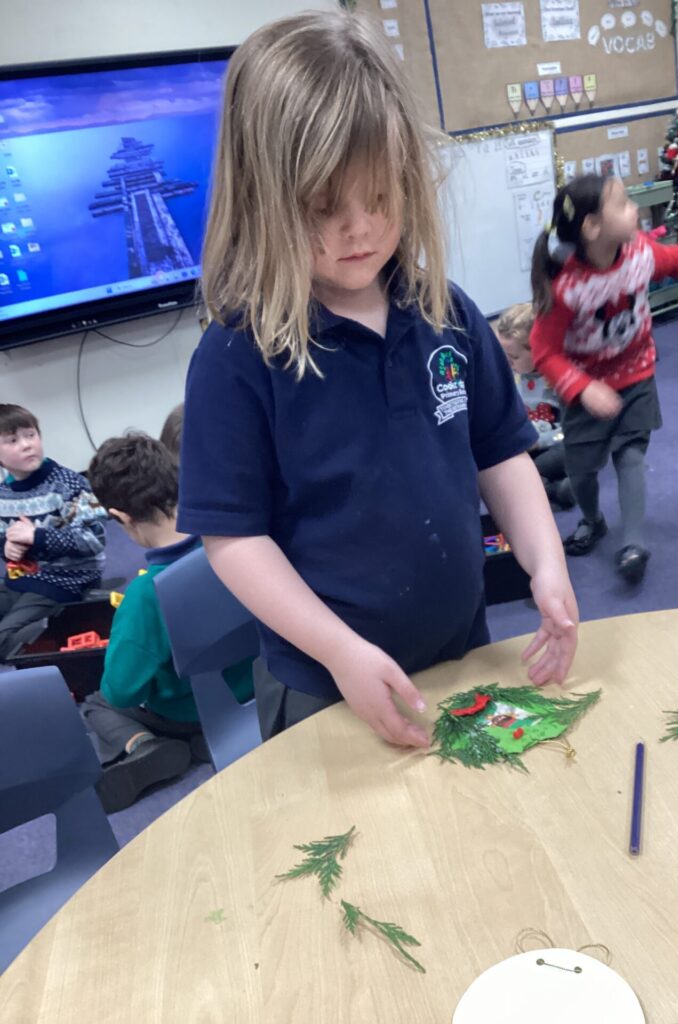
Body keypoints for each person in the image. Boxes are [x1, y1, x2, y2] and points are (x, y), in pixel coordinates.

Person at [178, 9, 578, 750]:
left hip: (459, 652)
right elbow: (233, 539)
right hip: (325, 684)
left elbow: (500, 455)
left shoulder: (445, 312)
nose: (359, 228)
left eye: (381, 196)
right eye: (323, 206)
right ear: (265, 199)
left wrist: (546, 563)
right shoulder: (237, 356)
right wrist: (340, 651)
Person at [529, 174, 678, 583]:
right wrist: (583, 388)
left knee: (630, 455)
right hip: (586, 392)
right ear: (592, 227)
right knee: (582, 472)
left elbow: (670, 259)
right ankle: (593, 520)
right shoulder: (567, 286)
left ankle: (634, 544)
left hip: (636, 373)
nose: (635, 209)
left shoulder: (638, 252)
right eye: (623, 204)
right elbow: (545, 352)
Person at [82, 433, 255, 812]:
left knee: (96, 703)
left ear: (121, 518)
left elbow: (122, 692)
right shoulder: (240, 546)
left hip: (184, 711)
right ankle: (209, 738)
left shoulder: (145, 596)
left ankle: (144, 744)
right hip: (255, 690)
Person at [0, 403, 106, 660]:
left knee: (2, 640)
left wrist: (37, 537)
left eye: (31, 435)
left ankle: (51, 637)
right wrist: (6, 546)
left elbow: (94, 538)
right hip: (21, 579)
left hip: (65, 579)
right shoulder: (3, 492)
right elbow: (3, 537)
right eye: (13, 440)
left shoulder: (69, 484)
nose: (27, 445)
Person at [494, 304, 574, 512]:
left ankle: (561, 491)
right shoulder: (518, 377)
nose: (509, 363)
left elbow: (572, 430)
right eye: (505, 357)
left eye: (514, 357)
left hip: (563, 445)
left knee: (528, 474)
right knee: (506, 471)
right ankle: (555, 486)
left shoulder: (559, 380)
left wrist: (539, 441)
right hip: (534, 445)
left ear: (538, 349)